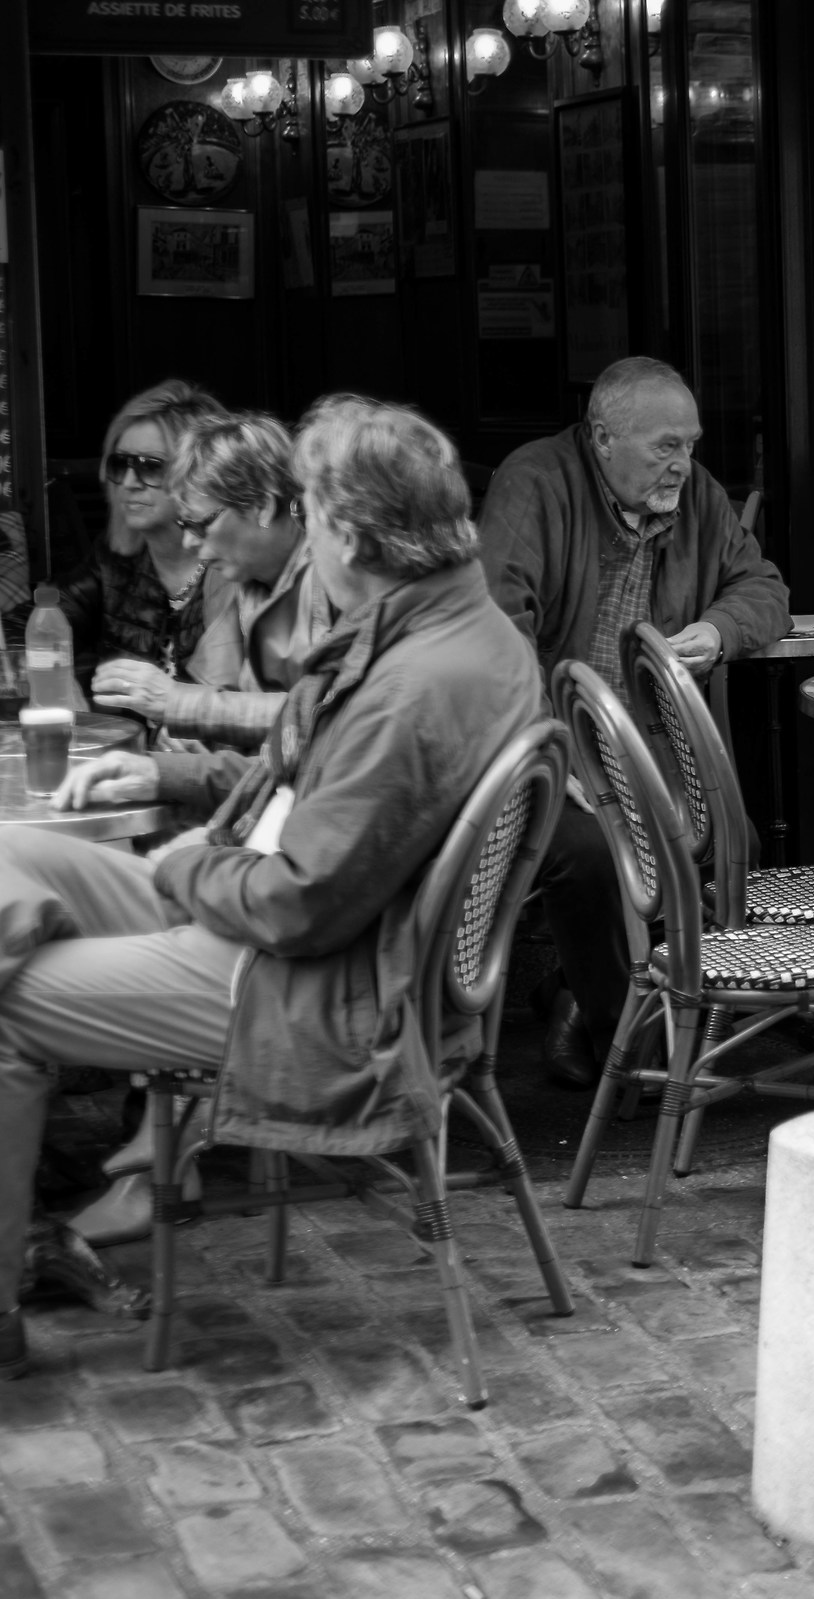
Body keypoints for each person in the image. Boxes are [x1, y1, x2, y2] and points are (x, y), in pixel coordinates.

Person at [0, 396, 541, 1380]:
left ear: (346, 531)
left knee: (7, 1008)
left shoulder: (419, 683)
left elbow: (298, 902)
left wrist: (183, 860)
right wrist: (172, 778)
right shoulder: (447, 626)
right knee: (12, 854)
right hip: (263, 915)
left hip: (301, 985)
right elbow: (316, 787)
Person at [476, 355, 790, 1088]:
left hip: (648, 743)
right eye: (665, 446)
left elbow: (764, 585)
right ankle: (634, 1047)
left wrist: (717, 630)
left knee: (728, 844)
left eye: (691, 444)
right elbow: (496, 627)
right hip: (544, 739)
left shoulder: (697, 496)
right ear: (603, 437)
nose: (683, 464)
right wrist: (549, 744)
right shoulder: (536, 482)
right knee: (586, 853)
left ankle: (581, 999)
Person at [92, 410, 336, 751]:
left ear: (261, 507)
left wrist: (178, 703)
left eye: (201, 525)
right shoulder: (241, 578)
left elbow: (330, 716)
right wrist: (180, 742)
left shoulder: (336, 575)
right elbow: (213, 686)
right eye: (184, 526)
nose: (190, 542)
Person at [28, 381, 230, 686]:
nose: (129, 482)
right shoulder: (114, 560)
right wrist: (60, 682)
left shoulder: (236, 568)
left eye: (151, 467)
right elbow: (31, 622)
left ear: (199, 473)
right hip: (130, 734)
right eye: (120, 464)